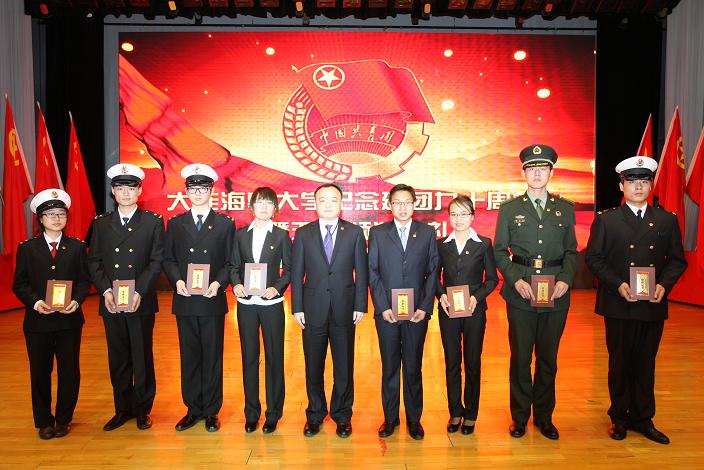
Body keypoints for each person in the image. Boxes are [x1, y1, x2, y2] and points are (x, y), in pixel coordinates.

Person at [585, 156, 687, 444]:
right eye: (632, 181)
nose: (638, 186)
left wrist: (664, 285)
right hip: (618, 303)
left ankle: (643, 418)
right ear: (622, 186)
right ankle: (619, 417)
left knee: (645, 362)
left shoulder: (666, 220)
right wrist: (617, 284)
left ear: (651, 185)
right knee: (619, 362)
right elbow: (594, 258)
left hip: (652, 303)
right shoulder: (607, 220)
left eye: (644, 181)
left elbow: (677, 260)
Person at [493, 145, 577, 440]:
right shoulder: (510, 209)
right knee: (520, 358)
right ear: (523, 173)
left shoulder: (565, 208)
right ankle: (519, 418)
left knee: (548, 359)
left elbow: (571, 251)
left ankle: (544, 417)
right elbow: (500, 251)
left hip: (556, 293)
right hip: (522, 292)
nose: (537, 173)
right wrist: (516, 280)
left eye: (543, 168)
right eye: (532, 168)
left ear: (551, 172)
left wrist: (566, 279)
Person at [87, 163, 165, 432]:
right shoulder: (101, 223)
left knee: (141, 356)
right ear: (113, 191)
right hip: (111, 301)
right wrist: (106, 291)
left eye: (131, 188)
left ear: (140, 191)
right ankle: (122, 408)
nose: (126, 193)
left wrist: (139, 291)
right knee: (118, 357)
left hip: (140, 300)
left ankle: (142, 410)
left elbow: (156, 261)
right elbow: (94, 261)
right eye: (120, 188)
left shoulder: (153, 221)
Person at [290, 183, 368, 438]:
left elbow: (361, 272)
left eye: (333, 200)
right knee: (313, 365)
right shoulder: (303, 234)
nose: (327, 204)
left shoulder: (354, 233)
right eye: (322, 200)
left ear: (341, 203)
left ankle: (342, 416)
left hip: (345, 309)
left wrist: (360, 304)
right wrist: (297, 307)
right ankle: (314, 414)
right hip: (312, 310)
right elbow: (297, 273)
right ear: (315, 203)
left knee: (343, 366)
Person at [12, 189, 90, 440]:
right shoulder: (28, 248)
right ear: (40, 218)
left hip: (69, 320)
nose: (56, 219)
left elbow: (84, 281)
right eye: (50, 214)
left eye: (61, 214)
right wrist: (36, 303)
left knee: (69, 371)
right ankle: (44, 421)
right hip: (38, 321)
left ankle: (63, 419)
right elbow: (20, 284)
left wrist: (77, 301)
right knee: (39, 372)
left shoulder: (77, 247)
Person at [162, 164, 234, 433]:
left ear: (211, 191)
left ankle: (212, 411)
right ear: (186, 192)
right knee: (189, 355)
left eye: (203, 188)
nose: (198, 193)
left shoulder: (225, 223)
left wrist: (218, 283)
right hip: (186, 299)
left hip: (212, 299)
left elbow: (230, 261)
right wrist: (177, 281)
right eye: (193, 189)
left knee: (212, 356)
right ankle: (193, 408)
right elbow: (168, 259)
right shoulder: (176, 223)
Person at [368, 183, 439, 440]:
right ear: (389, 205)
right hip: (387, 312)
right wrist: (383, 306)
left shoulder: (427, 232)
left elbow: (433, 271)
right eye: (397, 202)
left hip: (416, 313)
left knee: (412, 366)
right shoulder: (378, 233)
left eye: (407, 202)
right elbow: (372, 272)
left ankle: (414, 419)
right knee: (389, 366)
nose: (402, 207)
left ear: (414, 204)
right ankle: (390, 419)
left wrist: (424, 307)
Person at [436, 195, 498, 435]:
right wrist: (441, 295)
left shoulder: (483, 244)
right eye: (454, 214)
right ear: (448, 217)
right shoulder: (442, 244)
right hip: (448, 311)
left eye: (463, 214)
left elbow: (491, 279)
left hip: (474, 311)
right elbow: (434, 277)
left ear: (472, 216)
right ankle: (455, 411)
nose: (458, 219)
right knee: (452, 362)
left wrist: (476, 297)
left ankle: (471, 413)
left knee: (472, 362)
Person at [231, 187, 291, 434]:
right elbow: (233, 266)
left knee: (274, 358)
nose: (264, 208)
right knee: (249, 358)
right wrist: (236, 284)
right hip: (246, 305)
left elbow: (289, 270)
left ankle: (273, 414)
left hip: (271, 305)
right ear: (251, 207)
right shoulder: (240, 235)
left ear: (275, 208)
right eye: (259, 203)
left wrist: (276, 288)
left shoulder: (282, 236)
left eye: (269, 203)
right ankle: (251, 413)